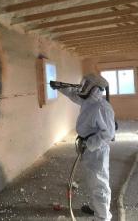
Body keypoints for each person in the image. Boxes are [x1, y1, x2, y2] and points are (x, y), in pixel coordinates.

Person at [51, 74, 115, 221]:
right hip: (87, 147)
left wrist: (89, 143)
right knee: (92, 180)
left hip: (96, 150)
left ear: (94, 88)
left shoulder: (102, 107)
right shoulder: (88, 101)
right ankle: (95, 208)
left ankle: (103, 217)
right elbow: (74, 95)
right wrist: (60, 87)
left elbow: (108, 134)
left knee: (99, 182)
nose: (82, 86)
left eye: (86, 84)